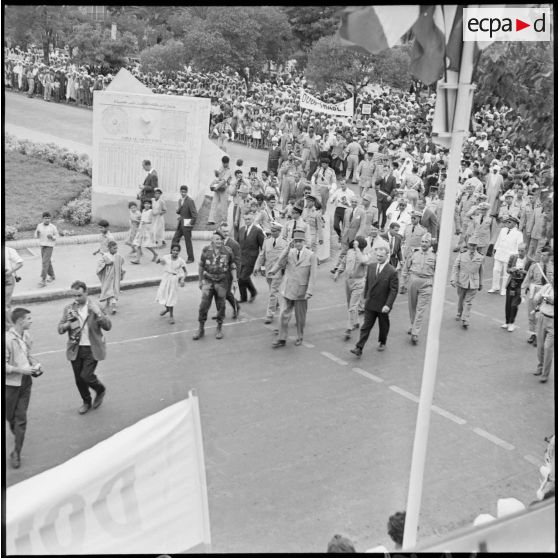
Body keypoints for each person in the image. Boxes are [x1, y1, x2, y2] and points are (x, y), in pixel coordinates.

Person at [57, 281, 112, 414]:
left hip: (92, 347)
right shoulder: (69, 309)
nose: (76, 299)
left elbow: (108, 326)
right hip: (76, 348)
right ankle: (86, 401)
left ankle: (100, 390)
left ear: (86, 293)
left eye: (79, 295)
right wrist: (66, 326)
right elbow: (60, 328)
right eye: (74, 296)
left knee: (86, 376)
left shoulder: (96, 306)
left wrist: (98, 313)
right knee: (79, 379)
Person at [5, 307, 43, 469]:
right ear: (20, 321)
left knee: (21, 420)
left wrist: (34, 365)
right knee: (10, 418)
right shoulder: (6, 340)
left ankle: (17, 453)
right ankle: (17, 435)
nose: (31, 321)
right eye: (29, 318)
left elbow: (26, 355)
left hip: (26, 383)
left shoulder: (26, 336)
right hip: (10, 386)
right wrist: (22, 370)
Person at [270, 230, 317, 347]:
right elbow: (280, 262)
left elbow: (313, 276)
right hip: (288, 289)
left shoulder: (311, 255)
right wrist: (287, 248)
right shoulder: (289, 252)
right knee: (283, 314)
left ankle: (300, 336)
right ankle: (281, 338)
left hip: (301, 291)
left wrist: (310, 291)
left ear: (304, 242)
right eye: (295, 241)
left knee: (300, 317)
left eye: (300, 241)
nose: (297, 244)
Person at [350, 245, 398, 356]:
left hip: (383, 305)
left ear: (387, 255)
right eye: (377, 255)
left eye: (381, 256)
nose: (379, 257)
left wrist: (388, 305)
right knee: (366, 326)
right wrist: (365, 296)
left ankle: (382, 341)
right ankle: (359, 347)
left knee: (383, 325)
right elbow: (368, 283)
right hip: (370, 303)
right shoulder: (371, 267)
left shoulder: (392, 271)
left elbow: (393, 290)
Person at [193, 231, 238, 341]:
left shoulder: (227, 251)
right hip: (208, 281)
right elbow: (201, 266)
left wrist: (235, 280)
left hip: (222, 282)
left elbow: (232, 265)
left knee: (221, 305)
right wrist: (200, 280)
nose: (219, 241)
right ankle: (201, 328)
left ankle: (219, 327)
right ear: (212, 240)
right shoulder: (206, 250)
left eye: (221, 239)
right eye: (217, 239)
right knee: (203, 305)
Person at [401, 233, 436, 344]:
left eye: (426, 242)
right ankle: (413, 325)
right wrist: (403, 282)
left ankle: (415, 332)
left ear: (430, 243)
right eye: (423, 242)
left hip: (427, 283)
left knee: (421, 309)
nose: (424, 244)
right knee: (412, 306)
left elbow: (438, 272)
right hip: (413, 280)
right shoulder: (414, 253)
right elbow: (406, 268)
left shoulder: (435, 256)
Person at [333, 236, 368, 340]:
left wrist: (357, 249)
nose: (354, 244)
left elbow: (362, 260)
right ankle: (356, 321)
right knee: (350, 305)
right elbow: (343, 263)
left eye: (356, 244)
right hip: (348, 281)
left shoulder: (365, 255)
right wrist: (338, 272)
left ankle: (349, 328)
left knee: (352, 305)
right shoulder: (349, 252)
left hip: (359, 282)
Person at [255, 222, 288, 324]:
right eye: (271, 231)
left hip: (278, 271)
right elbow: (262, 255)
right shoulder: (267, 241)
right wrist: (257, 266)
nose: (272, 233)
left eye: (274, 231)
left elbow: (286, 258)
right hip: (268, 270)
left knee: (273, 292)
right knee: (271, 289)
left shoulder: (285, 243)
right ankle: (276, 303)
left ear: (279, 231)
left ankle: (270, 314)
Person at [450, 235, 484, 329]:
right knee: (461, 300)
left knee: (468, 301)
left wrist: (481, 283)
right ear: (468, 245)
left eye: (475, 245)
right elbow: (456, 267)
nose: (473, 247)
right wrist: (453, 279)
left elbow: (481, 271)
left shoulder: (480, 257)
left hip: (474, 282)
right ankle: (459, 312)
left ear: (477, 246)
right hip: (462, 281)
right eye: (471, 245)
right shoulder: (462, 254)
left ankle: (465, 319)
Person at [522, 245, 553, 345]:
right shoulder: (534, 266)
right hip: (534, 292)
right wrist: (522, 292)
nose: (542, 257)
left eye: (545, 255)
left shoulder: (552, 267)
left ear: (550, 256)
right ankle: (533, 335)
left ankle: (540, 337)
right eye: (542, 255)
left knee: (541, 315)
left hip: (546, 294)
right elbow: (527, 279)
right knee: (531, 314)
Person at [488, 216, 524, 294]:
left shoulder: (518, 233)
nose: (507, 223)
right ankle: (495, 287)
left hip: (509, 255)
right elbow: (499, 240)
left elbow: (519, 245)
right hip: (500, 253)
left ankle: (504, 289)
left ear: (515, 223)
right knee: (496, 270)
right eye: (507, 222)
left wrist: (516, 256)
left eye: (509, 222)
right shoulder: (503, 230)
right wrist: (495, 248)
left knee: (506, 273)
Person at [155, 244, 187, 324]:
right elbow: (158, 262)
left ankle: (171, 316)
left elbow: (186, 272)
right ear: (171, 250)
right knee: (161, 295)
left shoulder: (181, 261)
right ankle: (167, 309)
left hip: (174, 279)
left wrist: (183, 279)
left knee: (171, 297)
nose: (175, 252)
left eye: (177, 250)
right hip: (165, 278)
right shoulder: (166, 257)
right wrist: (158, 259)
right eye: (174, 250)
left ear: (179, 251)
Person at [237, 213, 265, 303]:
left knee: (242, 278)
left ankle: (253, 291)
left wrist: (262, 261)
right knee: (241, 277)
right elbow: (237, 244)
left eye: (249, 219)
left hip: (252, 259)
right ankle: (243, 297)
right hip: (241, 258)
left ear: (252, 219)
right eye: (246, 219)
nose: (247, 221)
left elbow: (263, 246)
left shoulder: (257, 230)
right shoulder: (241, 230)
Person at [501, 242, 529, 332]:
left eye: (522, 251)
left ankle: (512, 323)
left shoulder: (529, 261)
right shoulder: (513, 257)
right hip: (512, 283)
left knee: (514, 304)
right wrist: (511, 270)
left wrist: (524, 272)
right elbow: (507, 269)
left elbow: (530, 274)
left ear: (526, 250)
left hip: (521, 285)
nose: (520, 252)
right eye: (519, 250)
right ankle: (507, 321)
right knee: (508, 304)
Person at [532, 276, 554, 383]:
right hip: (542, 317)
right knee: (540, 346)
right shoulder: (547, 287)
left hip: (552, 322)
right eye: (552, 277)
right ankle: (540, 366)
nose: (552, 279)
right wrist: (539, 298)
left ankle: (545, 374)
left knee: (548, 348)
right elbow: (536, 298)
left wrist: (552, 301)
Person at [96, 241, 125, 314]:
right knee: (108, 290)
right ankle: (108, 302)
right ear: (109, 248)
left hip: (115, 277)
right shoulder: (105, 256)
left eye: (116, 248)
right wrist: (107, 263)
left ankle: (114, 307)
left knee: (113, 291)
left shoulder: (118, 256)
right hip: (108, 277)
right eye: (114, 248)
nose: (116, 250)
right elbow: (100, 263)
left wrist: (121, 271)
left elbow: (121, 262)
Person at [172, 185, 197, 263]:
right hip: (180, 225)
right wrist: (179, 213)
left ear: (187, 192)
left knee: (188, 242)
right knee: (175, 239)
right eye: (182, 192)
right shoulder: (180, 200)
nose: (183, 193)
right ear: (180, 191)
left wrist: (189, 225)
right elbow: (181, 211)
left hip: (187, 226)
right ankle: (172, 256)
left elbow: (195, 215)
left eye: (185, 192)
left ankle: (191, 258)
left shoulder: (190, 201)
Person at [34, 211, 58, 287]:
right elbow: (35, 236)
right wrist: (37, 234)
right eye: (45, 218)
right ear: (42, 219)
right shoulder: (39, 226)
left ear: (50, 219)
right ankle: (52, 276)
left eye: (48, 218)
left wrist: (52, 237)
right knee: (47, 262)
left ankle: (43, 280)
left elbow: (57, 236)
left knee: (44, 262)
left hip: (49, 246)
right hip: (42, 246)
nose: (47, 220)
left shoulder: (53, 227)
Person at [131, 199, 158, 264]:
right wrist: (140, 221)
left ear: (150, 205)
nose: (146, 205)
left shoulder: (151, 211)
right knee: (138, 245)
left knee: (147, 245)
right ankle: (137, 260)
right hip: (141, 229)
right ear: (143, 204)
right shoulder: (143, 210)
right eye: (145, 203)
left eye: (148, 204)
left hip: (147, 230)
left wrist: (144, 222)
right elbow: (142, 218)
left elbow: (151, 221)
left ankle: (155, 254)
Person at [208, 156, 232, 226]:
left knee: (223, 205)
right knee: (214, 203)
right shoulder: (221, 167)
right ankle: (211, 220)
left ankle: (224, 221)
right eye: (224, 163)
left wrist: (216, 187)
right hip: (218, 186)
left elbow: (224, 181)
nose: (225, 164)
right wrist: (216, 172)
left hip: (224, 188)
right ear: (222, 162)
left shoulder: (229, 170)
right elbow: (217, 176)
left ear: (228, 162)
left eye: (226, 163)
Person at [5, 246, 23, 317]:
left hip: (7, 278)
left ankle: (9, 325)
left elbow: (20, 263)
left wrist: (10, 272)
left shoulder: (9, 250)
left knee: (6, 303)